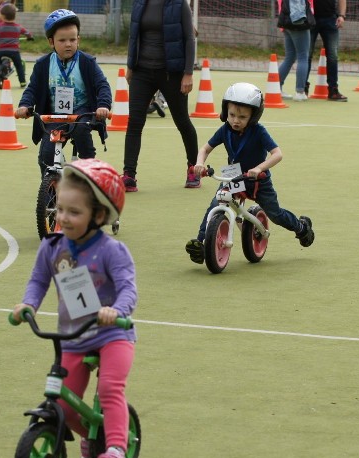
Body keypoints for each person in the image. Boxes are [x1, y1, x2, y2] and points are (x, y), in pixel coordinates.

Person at [11, 159, 137, 458]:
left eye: (74, 212)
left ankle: (118, 451)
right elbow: (39, 280)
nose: (63, 218)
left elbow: (127, 289)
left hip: (112, 335)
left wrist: (118, 311)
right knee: (65, 407)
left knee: (110, 388)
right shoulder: (52, 247)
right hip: (73, 336)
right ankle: (90, 437)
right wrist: (28, 304)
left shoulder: (113, 251)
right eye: (60, 209)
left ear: (99, 215)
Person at [184, 83, 315, 264]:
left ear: (253, 116)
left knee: (275, 214)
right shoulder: (225, 130)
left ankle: (301, 227)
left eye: (242, 117)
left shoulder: (259, 132)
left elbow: (277, 154)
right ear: (225, 111)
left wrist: (259, 168)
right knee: (216, 204)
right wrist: (199, 163)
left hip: (258, 180)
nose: (236, 120)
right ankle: (201, 243)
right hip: (235, 176)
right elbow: (205, 148)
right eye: (231, 115)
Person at [16, 9, 112, 222]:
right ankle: (51, 196)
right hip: (55, 116)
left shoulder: (87, 62)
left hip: (82, 112)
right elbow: (32, 89)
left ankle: (90, 173)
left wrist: (103, 105)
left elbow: (102, 85)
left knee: (80, 128)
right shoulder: (43, 65)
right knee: (46, 155)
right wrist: (24, 105)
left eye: (72, 39)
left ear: (79, 39)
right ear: (51, 42)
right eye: (62, 40)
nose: (68, 44)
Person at [122, 0, 201, 192]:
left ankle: (194, 168)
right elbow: (134, 35)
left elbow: (189, 38)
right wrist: (131, 66)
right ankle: (129, 175)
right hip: (142, 72)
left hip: (171, 74)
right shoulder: (140, 3)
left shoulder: (179, 4)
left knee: (182, 121)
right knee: (134, 123)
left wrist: (188, 73)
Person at [304, 0, 347, 101]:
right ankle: (302, 89)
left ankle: (333, 90)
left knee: (333, 56)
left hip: (330, 19)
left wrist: (341, 15)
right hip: (310, 18)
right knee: (306, 55)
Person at [0, 3, 33, 88]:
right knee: (19, 65)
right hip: (14, 51)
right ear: (15, 15)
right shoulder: (18, 27)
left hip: (1, 51)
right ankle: (22, 82)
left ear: (2, 16)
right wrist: (30, 37)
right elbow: (27, 33)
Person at [277, 0, 313, 101]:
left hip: (286, 22)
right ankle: (300, 91)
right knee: (303, 57)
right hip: (298, 23)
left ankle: (276, 87)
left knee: (290, 58)